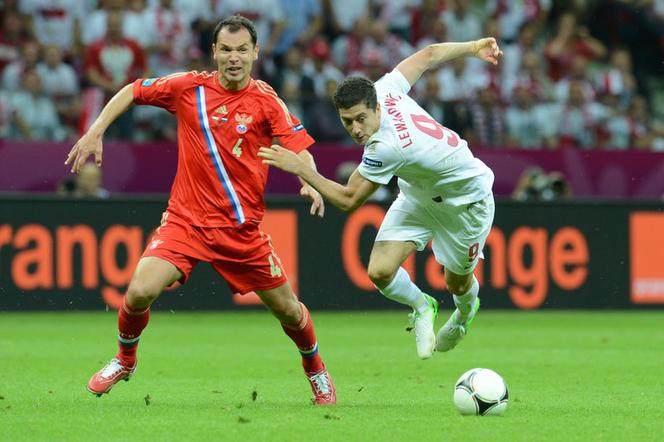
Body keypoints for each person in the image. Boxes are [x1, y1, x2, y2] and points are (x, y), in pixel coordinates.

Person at [65, 15, 336, 405]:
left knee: (290, 312)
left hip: (242, 231)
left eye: (242, 50)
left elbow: (299, 148)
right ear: (214, 52)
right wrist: (95, 130)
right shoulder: (188, 88)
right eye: (226, 50)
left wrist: (310, 180)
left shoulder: (265, 100)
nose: (234, 58)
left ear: (256, 52)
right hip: (185, 223)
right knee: (140, 291)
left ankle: (317, 373)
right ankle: (125, 360)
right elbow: (132, 90)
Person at [260, 37, 502, 360]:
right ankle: (422, 306)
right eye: (348, 122)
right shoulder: (385, 89)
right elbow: (428, 54)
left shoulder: (386, 147)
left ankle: (463, 314)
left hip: (467, 202)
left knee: (456, 284)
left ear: (375, 108)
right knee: (379, 272)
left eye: (361, 118)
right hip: (419, 194)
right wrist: (473, 47)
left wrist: (299, 169)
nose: (357, 129)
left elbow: (348, 200)